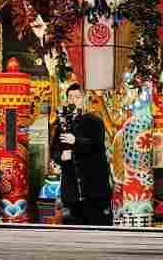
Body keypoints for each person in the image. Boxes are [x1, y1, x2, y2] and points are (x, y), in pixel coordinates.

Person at [50, 83, 112, 226]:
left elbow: (96, 145)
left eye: (77, 97)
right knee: (74, 228)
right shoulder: (62, 125)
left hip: (94, 189)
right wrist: (61, 156)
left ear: (84, 99)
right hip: (71, 190)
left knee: (96, 226)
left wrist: (75, 141)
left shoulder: (94, 121)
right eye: (70, 97)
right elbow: (54, 150)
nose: (73, 100)